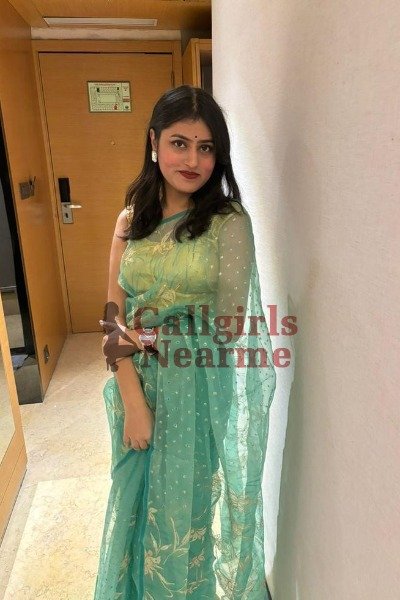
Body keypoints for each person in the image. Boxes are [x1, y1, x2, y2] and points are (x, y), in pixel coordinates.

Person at [93, 84, 276, 600]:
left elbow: (227, 329)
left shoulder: (227, 224)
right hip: (132, 387)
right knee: (131, 509)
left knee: (179, 521)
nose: (193, 160)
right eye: (179, 143)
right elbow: (112, 319)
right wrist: (133, 401)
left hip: (193, 392)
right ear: (153, 142)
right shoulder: (130, 220)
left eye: (206, 147)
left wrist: (145, 335)